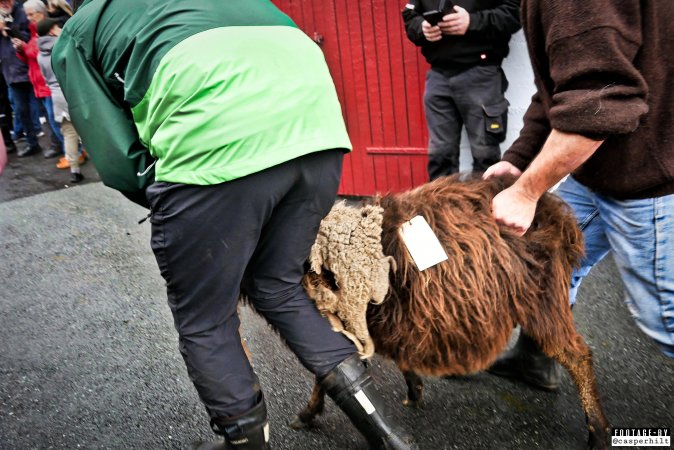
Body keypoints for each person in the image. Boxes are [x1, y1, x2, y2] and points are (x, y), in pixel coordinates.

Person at [52, 1, 417, 449]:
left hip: (218, 150)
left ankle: (244, 442)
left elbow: (113, 154)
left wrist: (173, 199)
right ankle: (384, 431)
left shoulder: (82, 27)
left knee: (206, 318)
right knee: (277, 284)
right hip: (317, 136)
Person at [484, 0, 674, 390]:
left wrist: (526, 192)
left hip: (648, 176)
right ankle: (534, 359)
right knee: (545, 260)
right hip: (603, 169)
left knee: (665, 318)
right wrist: (518, 159)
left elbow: (599, 104)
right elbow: (559, 87)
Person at [402, 0, 520, 179]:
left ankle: (484, 206)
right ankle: (443, 206)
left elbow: (515, 12)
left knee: (485, 157)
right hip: (438, 74)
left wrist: (472, 22)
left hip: (481, 73)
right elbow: (410, 15)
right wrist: (422, 28)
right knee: (440, 157)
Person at [13, 0, 61, 158]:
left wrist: (24, 48)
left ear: (41, 13)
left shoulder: (47, 29)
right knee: (52, 121)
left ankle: (75, 152)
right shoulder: (33, 30)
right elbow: (29, 58)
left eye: (31, 14)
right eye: (27, 14)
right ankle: (63, 148)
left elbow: (39, 51)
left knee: (57, 121)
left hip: (49, 83)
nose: (28, 18)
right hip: (40, 83)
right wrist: (21, 50)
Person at [35, 17, 81, 182]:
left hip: (57, 97)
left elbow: (45, 78)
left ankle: (74, 170)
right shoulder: (63, 46)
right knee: (89, 130)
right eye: (57, 26)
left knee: (69, 134)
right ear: (52, 30)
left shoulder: (40, 54)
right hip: (73, 92)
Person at [0, 0, 42, 157]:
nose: (4, 3)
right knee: (21, 110)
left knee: (47, 111)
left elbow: (30, 36)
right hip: (11, 72)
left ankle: (60, 145)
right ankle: (32, 142)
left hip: (31, 67)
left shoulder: (23, 11)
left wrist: (8, 29)